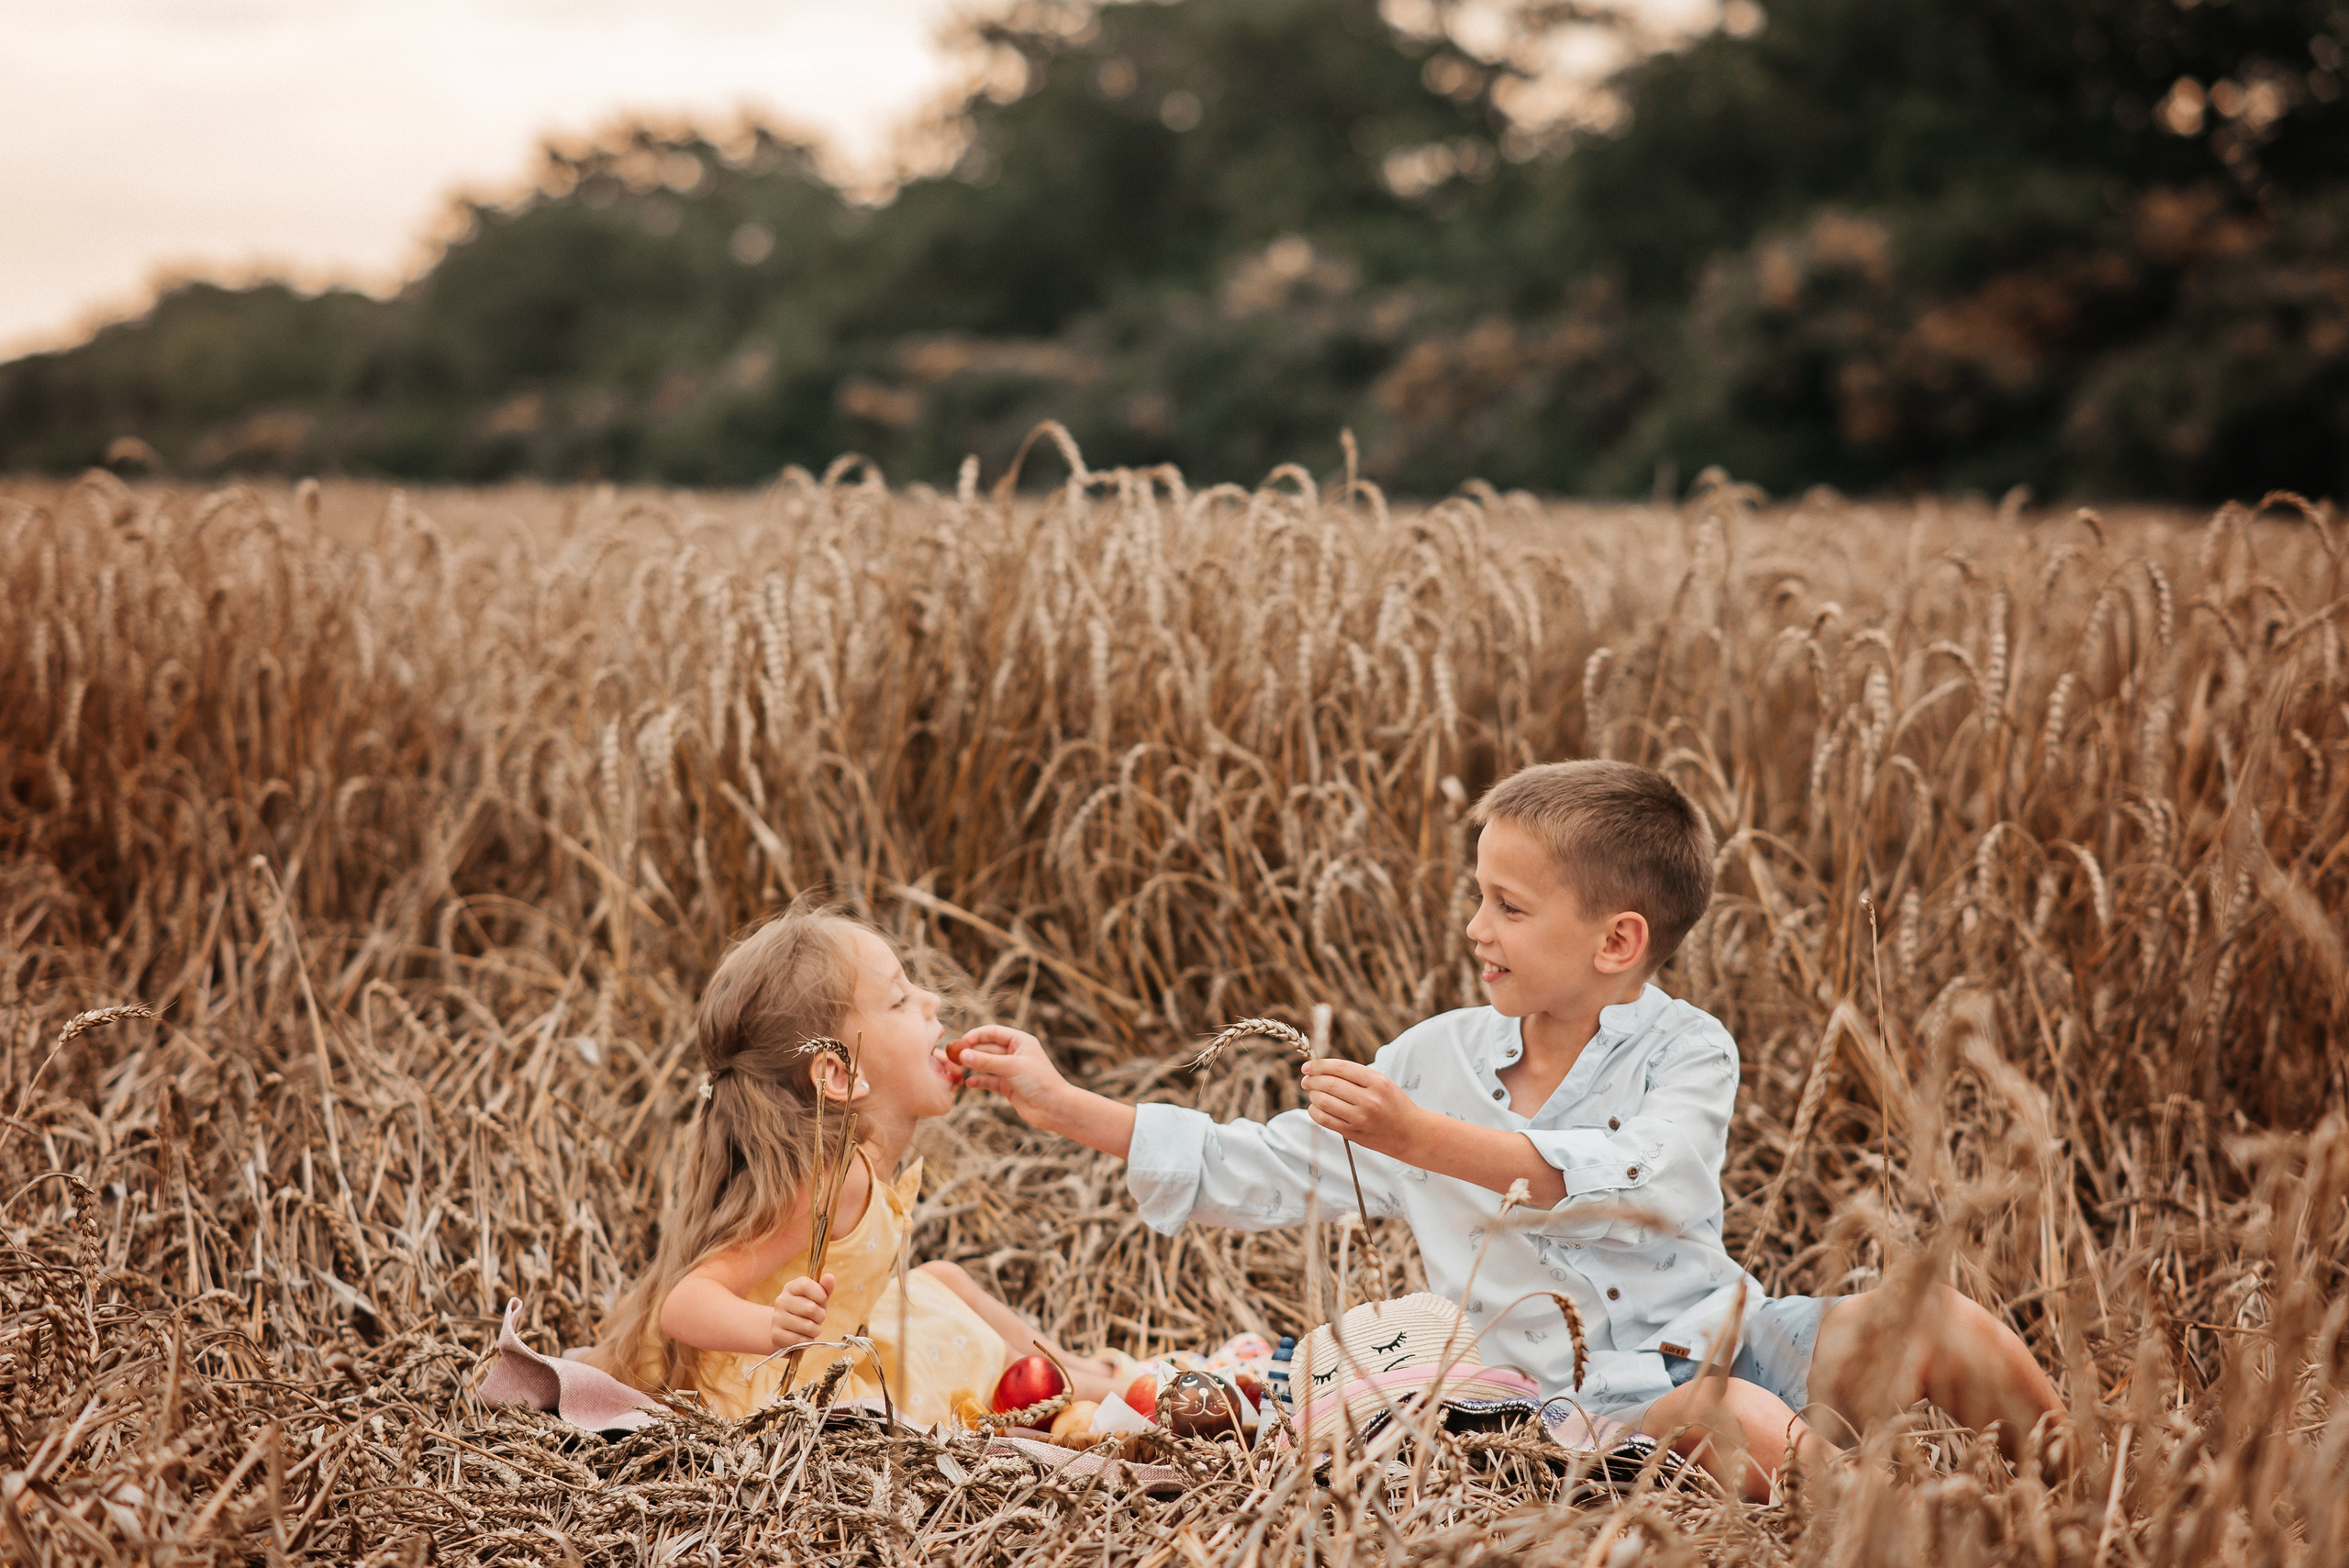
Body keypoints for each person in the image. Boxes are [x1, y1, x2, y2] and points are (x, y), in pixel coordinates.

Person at [956, 759, 2065, 1496]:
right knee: (1742, 1424)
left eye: (1509, 905)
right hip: (1584, 1396)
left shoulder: (1689, 1048)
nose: (1475, 924)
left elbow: (1647, 1177)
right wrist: (1066, 1104)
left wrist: (1418, 1138)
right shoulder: (1431, 1059)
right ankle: (1932, 1541)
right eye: (1477, 893)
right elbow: (1258, 1166)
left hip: (1739, 1324)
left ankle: (2107, 1496)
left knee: (1945, 1321)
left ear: (1617, 940)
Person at [588, 906, 1119, 1422]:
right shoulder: (836, 1180)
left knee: (943, 1281)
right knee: (959, 1336)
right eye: (899, 1000)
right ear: (839, 1076)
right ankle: (1109, 1391)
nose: (931, 1000)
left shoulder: (856, 1164)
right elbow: (685, 1304)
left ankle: (1091, 1374)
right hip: (783, 1388)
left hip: (835, 1341)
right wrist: (772, 1325)